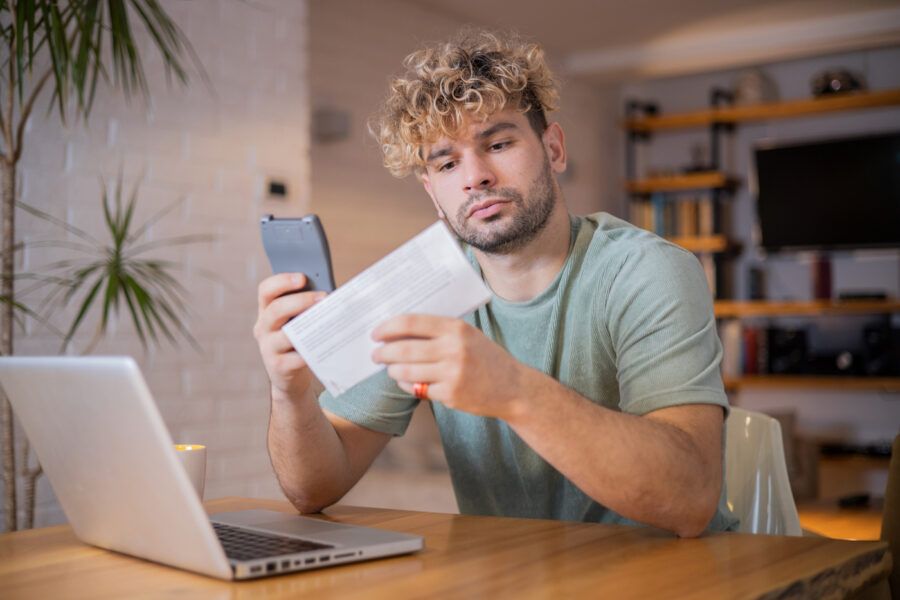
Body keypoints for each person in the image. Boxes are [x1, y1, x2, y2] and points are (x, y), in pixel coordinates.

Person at [254, 30, 738, 537]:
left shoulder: (645, 271)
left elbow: (690, 498)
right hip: (514, 575)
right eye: (446, 162)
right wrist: (289, 392)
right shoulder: (425, 290)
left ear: (553, 149)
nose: (475, 177)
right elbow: (312, 489)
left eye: (499, 144)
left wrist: (510, 389)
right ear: (432, 192)